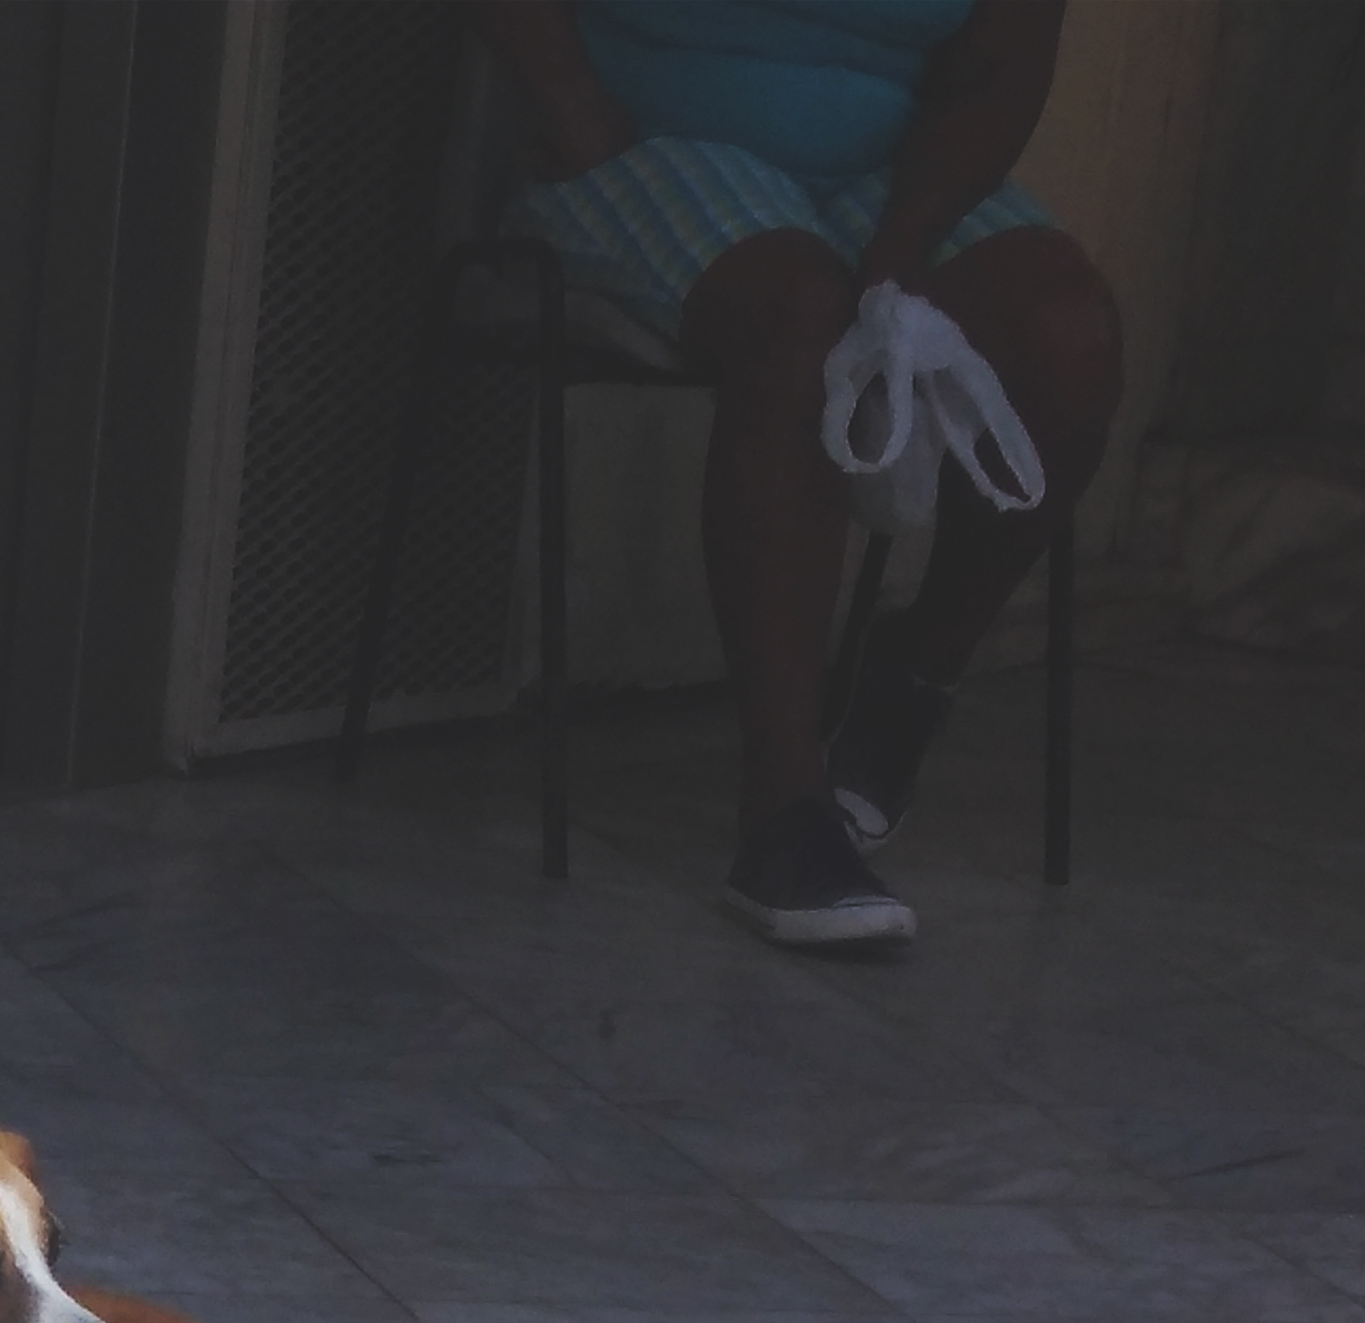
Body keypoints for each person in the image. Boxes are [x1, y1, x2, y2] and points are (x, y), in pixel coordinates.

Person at [471, 0, 1122, 948]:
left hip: (888, 170)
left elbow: (999, 64)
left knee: (1067, 339)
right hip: (648, 143)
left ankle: (915, 674)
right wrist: (568, 101)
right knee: (798, 316)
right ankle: (785, 810)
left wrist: (903, 243)